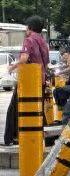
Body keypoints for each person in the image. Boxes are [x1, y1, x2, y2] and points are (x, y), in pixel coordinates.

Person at [2, 16, 50, 146]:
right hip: (41, 80)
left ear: (30, 28)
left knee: (14, 109)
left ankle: (11, 138)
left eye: (26, 27)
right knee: (36, 109)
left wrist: (12, 67)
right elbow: (46, 63)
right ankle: (43, 136)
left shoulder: (29, 40)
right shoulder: (44, 43)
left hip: (28, 81)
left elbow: (24, 58)